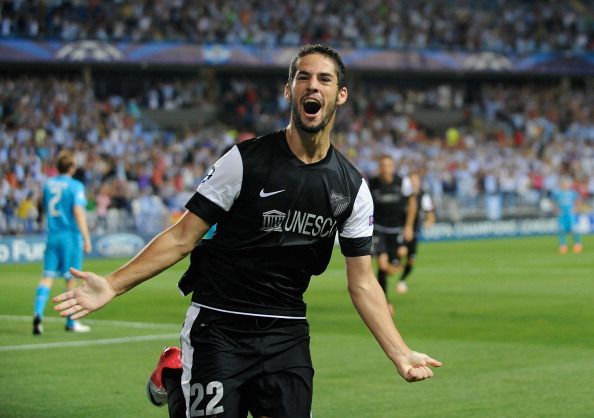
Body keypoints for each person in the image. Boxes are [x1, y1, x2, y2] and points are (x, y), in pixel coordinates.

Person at [53, 44, 441, 418]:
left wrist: (400, 352)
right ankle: (174, 374)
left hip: (286, 331)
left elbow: (362, 282)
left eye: (324, 79)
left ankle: (176, 373)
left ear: (340, 95)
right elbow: (182, 237)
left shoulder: (352, 189)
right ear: (289, 90)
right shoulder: (244, 161)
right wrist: (113, 284)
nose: (312, 86)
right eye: (303, 77)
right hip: (219, 324)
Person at [33, 150, 92, 334]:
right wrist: (86, 237)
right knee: (71, 280)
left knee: (47, 277)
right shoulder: (75, 186)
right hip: (70, 237)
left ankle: (38, 314)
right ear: (72, 167)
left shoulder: (48, 185)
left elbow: (39, 204)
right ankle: (71, 322)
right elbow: (78, 211)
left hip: (53, 235)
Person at [368, 154, 417, 311]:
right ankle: (385, 303)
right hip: (379, 228)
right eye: (382, 165)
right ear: (379, 167)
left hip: (397, 229)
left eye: (388, 165)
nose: (385, 168)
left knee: (390, 269)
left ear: (393, 167)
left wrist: (409, 226)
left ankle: (398, 267)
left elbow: (412, 204)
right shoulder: (372, 183)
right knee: (382, 265)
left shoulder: (402, 182)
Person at [396, 172, 436, 294]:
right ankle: (391, 264)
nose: (414, 183)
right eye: (411, 181)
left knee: (411, 261)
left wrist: (429, 221)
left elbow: (430, 213)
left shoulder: (423, 196)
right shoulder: (402, 194)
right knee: (401, 251)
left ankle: (401, 280)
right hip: (401, 229)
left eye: (416, 181)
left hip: (414, 231)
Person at [551, 176, 582, 254]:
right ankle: (563, 246)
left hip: (570, 214)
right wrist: (556, 209)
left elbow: (578, 201)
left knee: (574, 230)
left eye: (566, 184)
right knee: (561, 230)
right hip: (562, 214)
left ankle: (577, 244)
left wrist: (576, 209)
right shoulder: (557, 193)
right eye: (563, 184)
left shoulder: (573, 193)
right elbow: (553, 202)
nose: (565, 185)